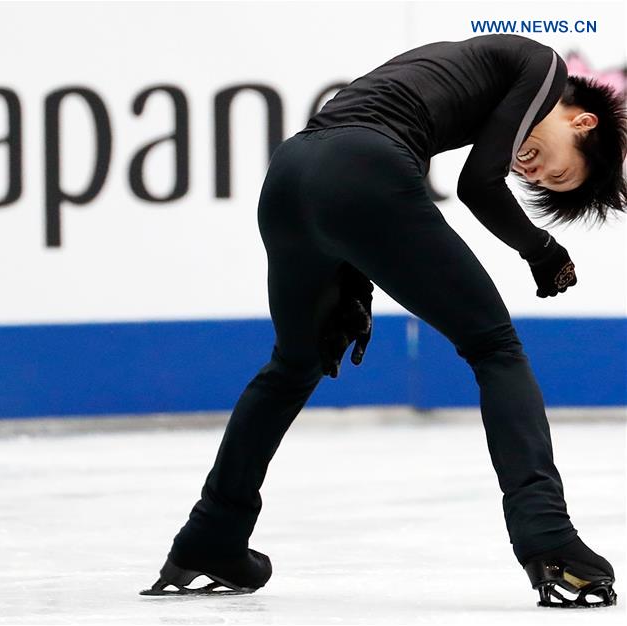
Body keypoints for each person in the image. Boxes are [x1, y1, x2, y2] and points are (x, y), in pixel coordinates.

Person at [140, 33, 626, 607]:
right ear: (585, 123)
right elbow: (477, 183)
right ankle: (551, 544)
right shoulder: (541, 64)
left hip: (291, 173)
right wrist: (541, 250)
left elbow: (381, 139)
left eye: (544, 187)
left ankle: (211, 537)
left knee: (293, 364)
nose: (537, 177)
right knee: (495, 348)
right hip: (359, 168)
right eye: (560, 175)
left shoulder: (460, 72)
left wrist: (354, 272)